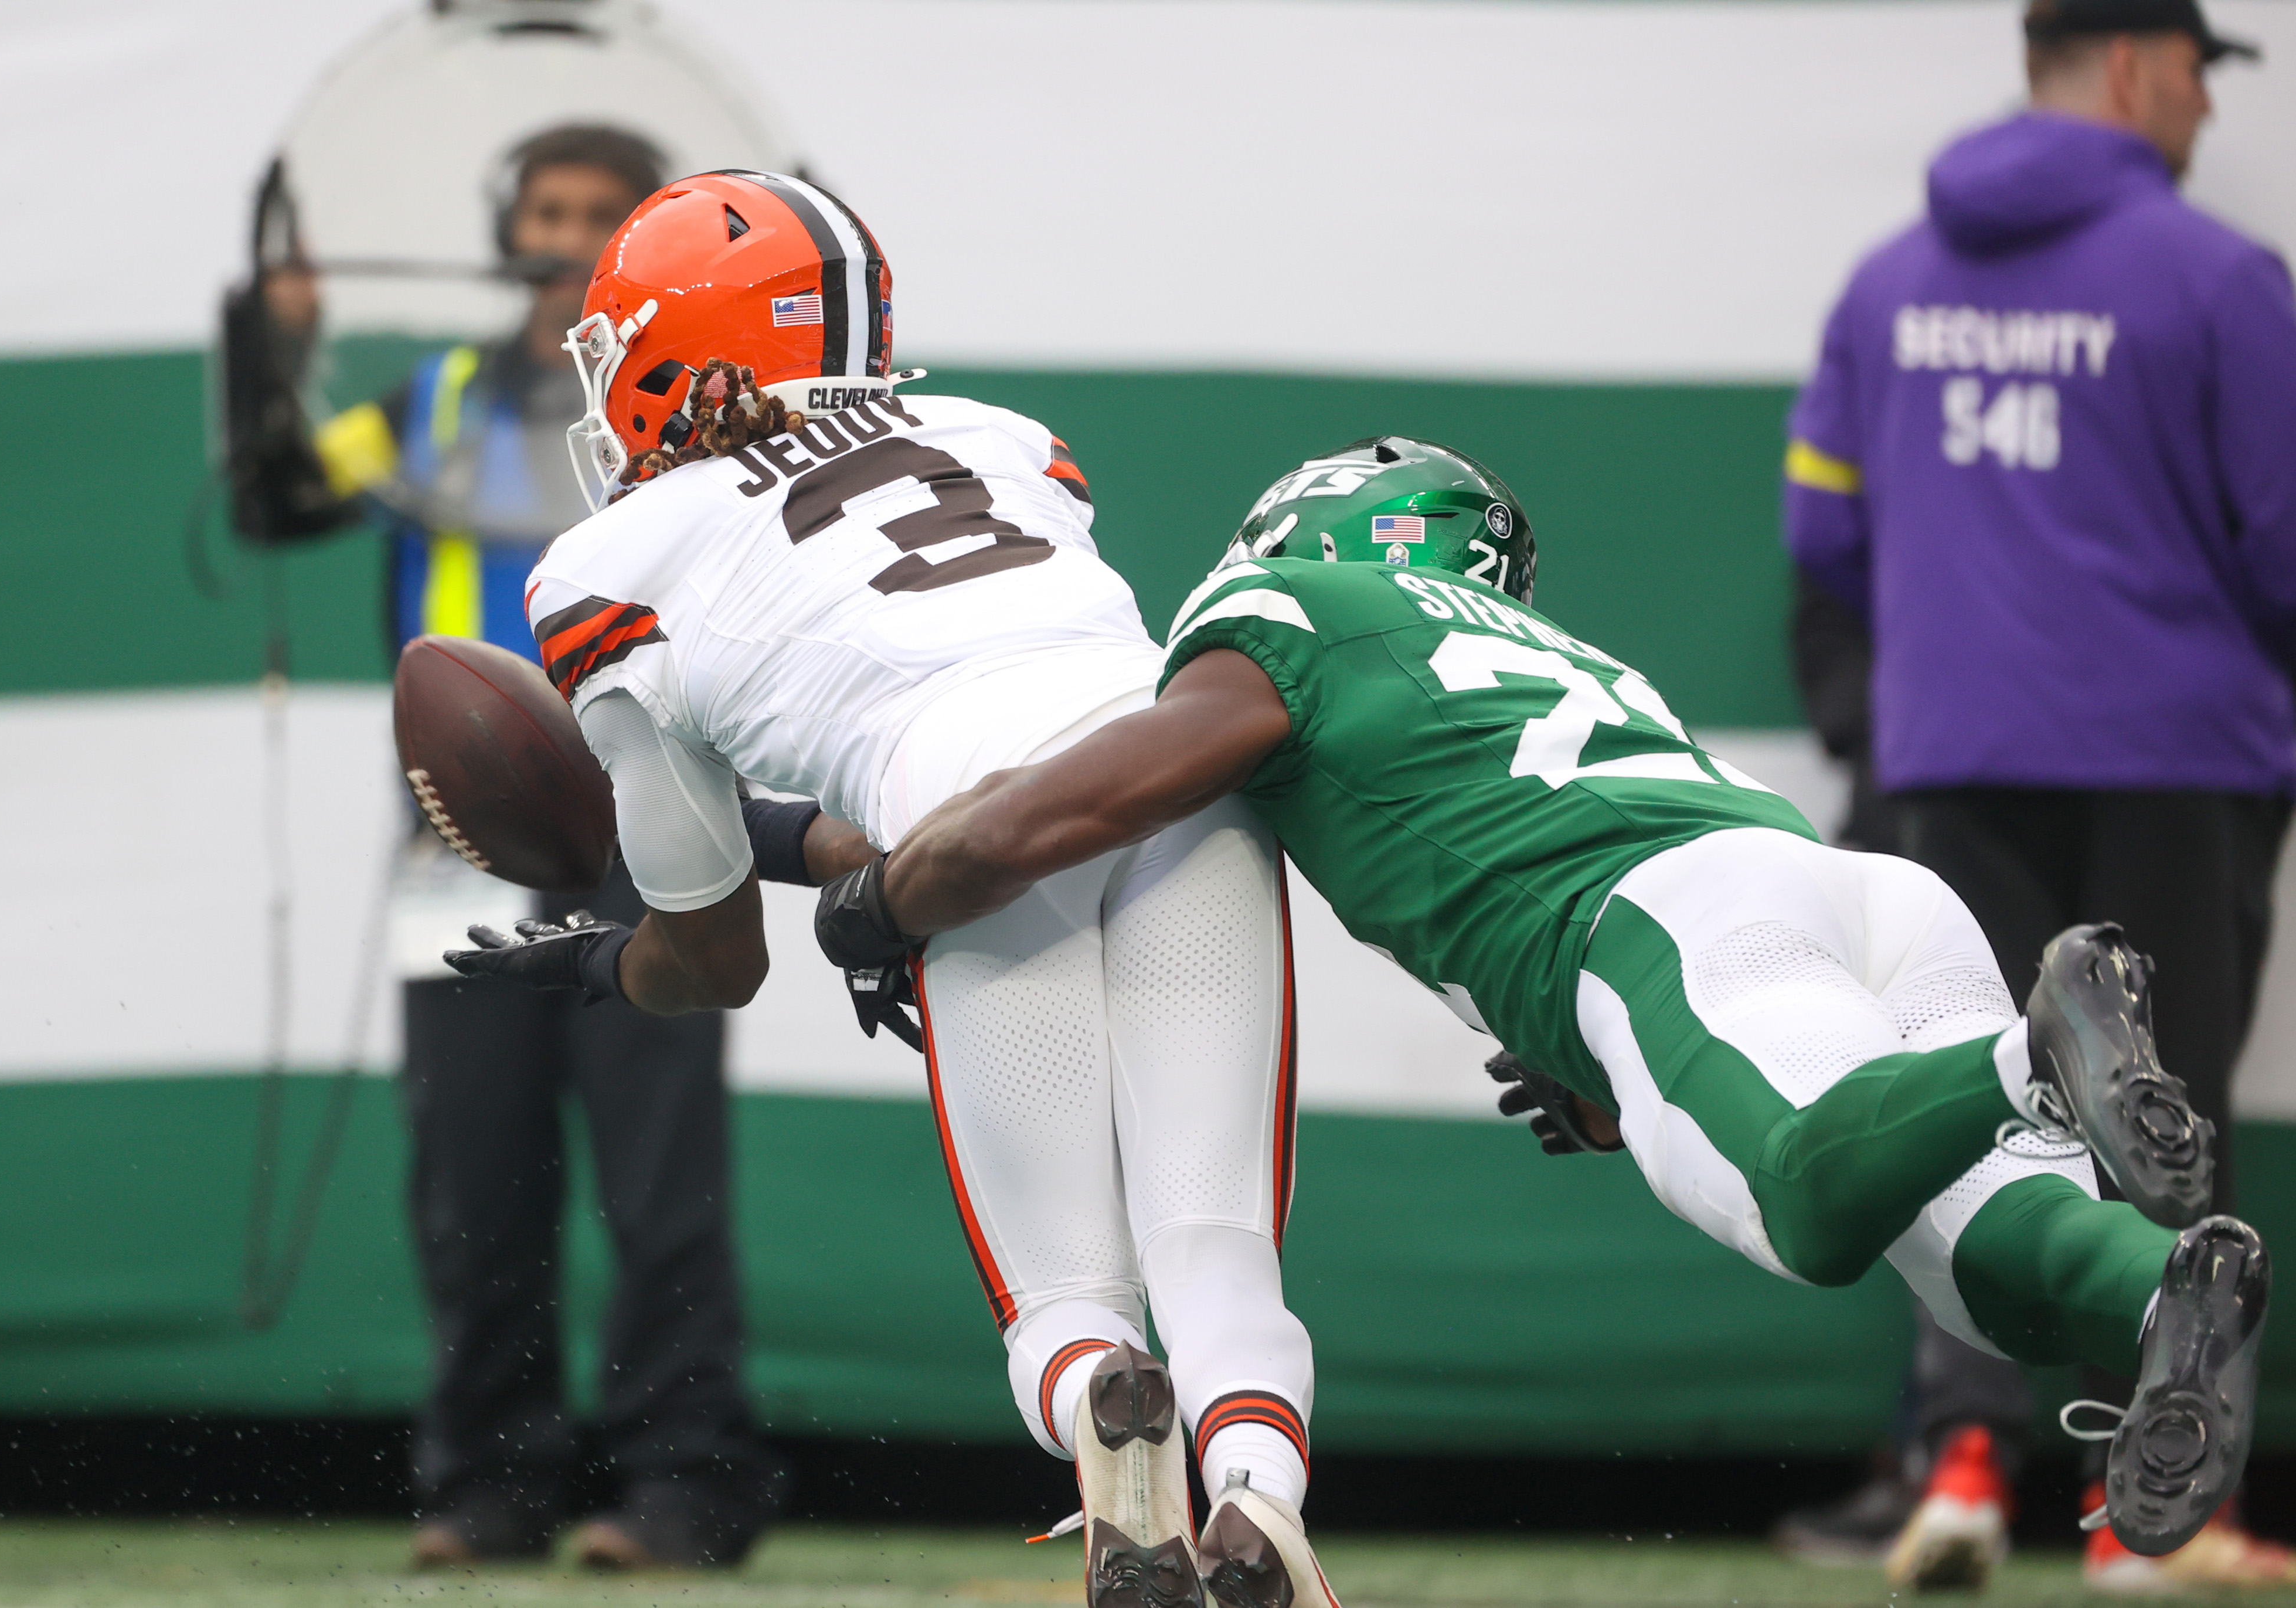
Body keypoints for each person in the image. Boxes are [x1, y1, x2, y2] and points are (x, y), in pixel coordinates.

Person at [814, 435, 2270, 1568]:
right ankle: (2158, 1284)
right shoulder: (1555, 650)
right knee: (1975, 1265)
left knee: (1807, 1209)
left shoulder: (1283, 611)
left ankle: (2033, 1055)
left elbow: (1055, 814)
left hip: (1656, 927)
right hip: (1848, 897)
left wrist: (891, 893)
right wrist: (1605, 1075)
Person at [441, 170, 1339, 1608]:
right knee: (1214, 1227)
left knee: (1063, 1295)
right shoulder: (999, 440)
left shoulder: (608, 568)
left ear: (675, 352)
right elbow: (969, 689)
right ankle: (1255, 1495)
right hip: (1176, 755)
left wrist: (604, 962)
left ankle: (1109, 1402)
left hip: (960, 808)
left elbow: (714, 953)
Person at [1783, 0, 2296, 1586]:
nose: (2205, 115)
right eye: (2202, 81)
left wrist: (1925, 697)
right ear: (2142, 68)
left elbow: (1823, 540)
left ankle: (1956, 1469)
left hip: (1949, 766)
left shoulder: (1884, 286)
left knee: (1974, 1105)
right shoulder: (2221, 282)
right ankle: (2157, 1522)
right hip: (2173, 764)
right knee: (2163, 1130)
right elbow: (2285, 546)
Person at [229, 127, 790, 1570]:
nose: (562, 236)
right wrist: (265, 345)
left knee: (661, 1173)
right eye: (542, 211)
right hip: (461, 840)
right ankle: (491, 1484)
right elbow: (274, 496)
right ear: (506, 230)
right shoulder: (434, 398)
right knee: (472, 1171)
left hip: (652, 815)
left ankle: (684, 1486)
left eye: (597, 218)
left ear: (628, 251)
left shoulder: (690, 419)